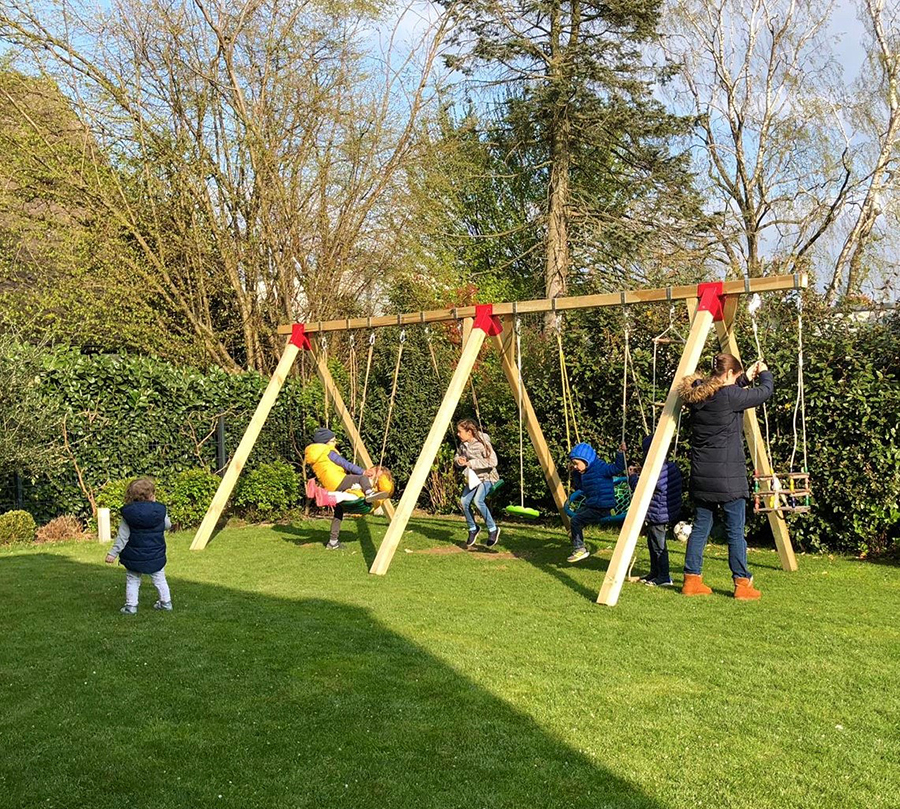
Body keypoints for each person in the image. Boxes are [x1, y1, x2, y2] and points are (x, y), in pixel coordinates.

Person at [678, 353, 773, 599]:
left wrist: (744, 378)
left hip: (702, 475)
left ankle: (691, 580)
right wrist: (764, 373)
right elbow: (764, 392)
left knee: (700, 528)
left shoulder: (698, 396)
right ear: (730, 374)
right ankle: (742, 584)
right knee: (734, 532)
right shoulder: (730, 396)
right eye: (737, 376)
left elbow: (721, 394)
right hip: (728, 477)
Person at [305, 427, 390, 550]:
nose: (335, 443)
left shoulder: (315, 454)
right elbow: (345, 463)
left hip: (329, 483)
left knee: (339, 511)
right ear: (326, 442)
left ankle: (333, 542)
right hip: (337, 480)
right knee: (361, 478)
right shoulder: (328, 452)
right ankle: (369, 493)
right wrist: (363, 471)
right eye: (333, 441)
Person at [105, 477, 173, 614]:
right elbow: (168, 526)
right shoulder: (160, 511)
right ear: (151, 495)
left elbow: (123, 537)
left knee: (133, 579)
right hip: (155, 553)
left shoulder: (128, 514)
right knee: (159, 578)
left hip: (134, 555)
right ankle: (166, 603)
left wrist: (113, 553)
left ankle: (131, 606)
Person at [628, 435, 683, 586]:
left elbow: (641, 488)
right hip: (665, 510)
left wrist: (632, 477)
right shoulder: (669, 467)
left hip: (657, 513)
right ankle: (655, 572)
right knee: (652, 542)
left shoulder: (655, 472)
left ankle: (664, 576)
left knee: (658, 545)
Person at [567, 441, 626, 563]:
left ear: (586, 460)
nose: (575, 466)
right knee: (577, 518)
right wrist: (574, 473)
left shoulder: (601, 468)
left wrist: (620, 453)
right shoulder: (585, 473)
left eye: (576, 464)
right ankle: (577, 538)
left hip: (600, 507)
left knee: (576, 521)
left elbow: (617, 468)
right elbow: (581, 487)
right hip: (593, 505)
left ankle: (580, 549)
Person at [455, 418, 500, 548]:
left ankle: (493, 529)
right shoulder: (463, 445)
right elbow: (457, 457)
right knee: (464, 502)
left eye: (460, 431)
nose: (458, 434)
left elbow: (493, 461)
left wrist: (471, 463)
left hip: (487, 478)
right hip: (473, 478)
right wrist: (460, 461)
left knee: (478, 500)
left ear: (469, 432)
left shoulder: (482, 443)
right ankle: (473, 528)